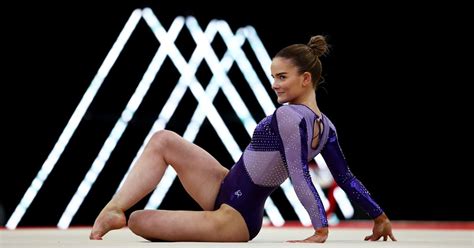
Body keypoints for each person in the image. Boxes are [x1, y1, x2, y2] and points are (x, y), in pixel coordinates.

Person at [89, 35, 397, 243]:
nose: (275, 85)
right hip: (224, 183)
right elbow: (346, 177)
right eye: (273, 77)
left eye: (282, 77)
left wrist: (320, 228)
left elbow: (301, 175)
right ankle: (114, 208)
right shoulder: (325, 127)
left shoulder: (292, 117)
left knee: (140, 221)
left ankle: (124, 214)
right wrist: (379, 215)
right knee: (163, 140)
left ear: (306, 79)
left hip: (236, 218)